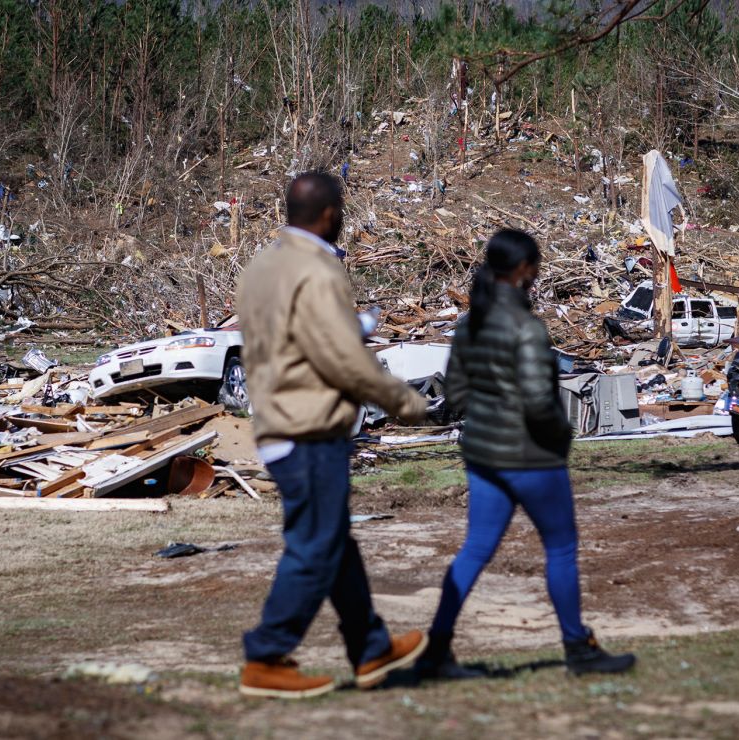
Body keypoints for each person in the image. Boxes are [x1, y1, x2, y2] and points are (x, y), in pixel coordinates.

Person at [236, 171, 430, 699]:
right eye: (341, 209)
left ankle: (370, 648)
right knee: (314, 548)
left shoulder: (262, 266)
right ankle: (266, 655)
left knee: (334, 543)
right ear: (329, 214)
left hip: (277, 422)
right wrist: (404, 400)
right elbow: (343, 360)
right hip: (310, 430)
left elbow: (295, 342)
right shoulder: (319, 270)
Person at [417, 229, 636, 679]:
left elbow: (455, 390)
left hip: (482, 452)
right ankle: (578, 648)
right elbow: (540, 401)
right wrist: (563, 437)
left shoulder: (468, 323)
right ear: (523, 270)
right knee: (560, 549)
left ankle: (436, 651)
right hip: (531, 455)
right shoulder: (527, 327)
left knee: (475, 550)